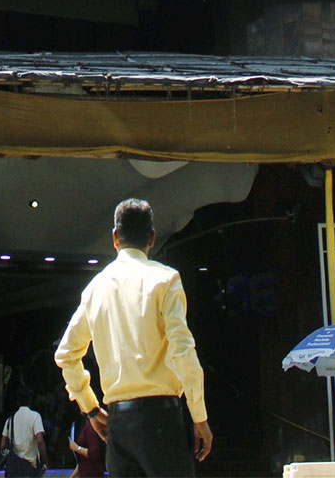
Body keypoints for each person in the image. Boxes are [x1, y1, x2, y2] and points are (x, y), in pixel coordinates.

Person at [54, 198, 212, 476]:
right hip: (162, 418)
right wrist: (199, 415)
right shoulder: (167, 280)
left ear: (115, 238)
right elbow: (183, 350)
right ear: (152, 238)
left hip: (118, 422)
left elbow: (66, 355)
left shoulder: (95, 289)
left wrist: (91, 409)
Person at [1, 386, 48, 477]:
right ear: (30, 400)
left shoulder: (10, 419)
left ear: (17, 402)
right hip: (30, 468)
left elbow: (3, 445)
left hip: (14, 469)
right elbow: (40, 441)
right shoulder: (35, 416)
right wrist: (45, 462)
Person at [70, 410, 105, 478]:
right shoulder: (85, 426)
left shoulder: (91, 428)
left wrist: (77, 448)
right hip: (84, 473)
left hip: (93, 473)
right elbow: (82, 461)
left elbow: (94, 454)